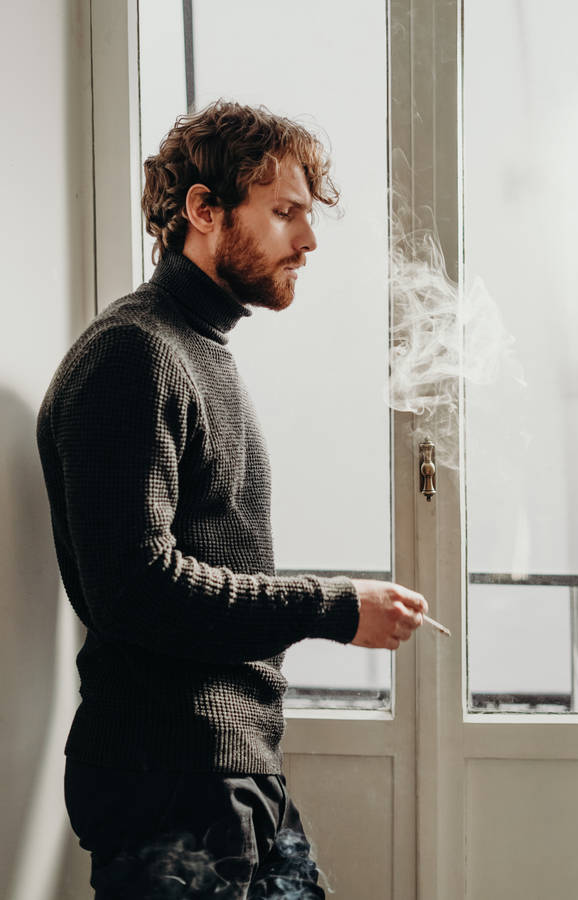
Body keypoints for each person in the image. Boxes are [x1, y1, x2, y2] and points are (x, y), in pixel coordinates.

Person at [37, 100, 427, 899]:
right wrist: (332, 606)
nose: (309, 241)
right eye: (285, 213)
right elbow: (135, 588)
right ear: (203, 211)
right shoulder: (133, 354)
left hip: (223, 766)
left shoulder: (197, 349)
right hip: (171, 775)